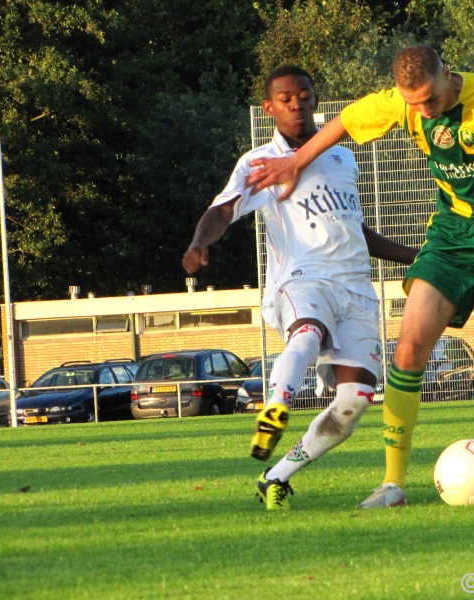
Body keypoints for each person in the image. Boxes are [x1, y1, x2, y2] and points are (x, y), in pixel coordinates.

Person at [245, 45, 474, 508]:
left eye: (429, 99)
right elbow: (347, 119)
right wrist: (295, 161)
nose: (423, 111)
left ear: (448, 74)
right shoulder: (405, 105)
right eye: (414, 103)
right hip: (452, 231)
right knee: (407, 348)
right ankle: (392, 484)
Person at [182, 65, 417, 510]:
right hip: (302, 279)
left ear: (314, 98)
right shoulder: (259, 162)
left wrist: (413, 256)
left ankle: (276, 474)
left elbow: (352, 228)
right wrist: (199, 242)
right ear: (269, 106)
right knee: (306, 333)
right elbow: (224, 209)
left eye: (303, 95)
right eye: (285, 98)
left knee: (354, 403)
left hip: (356, 289)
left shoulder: (342, 157)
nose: (296, 104)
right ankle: (275, 409)